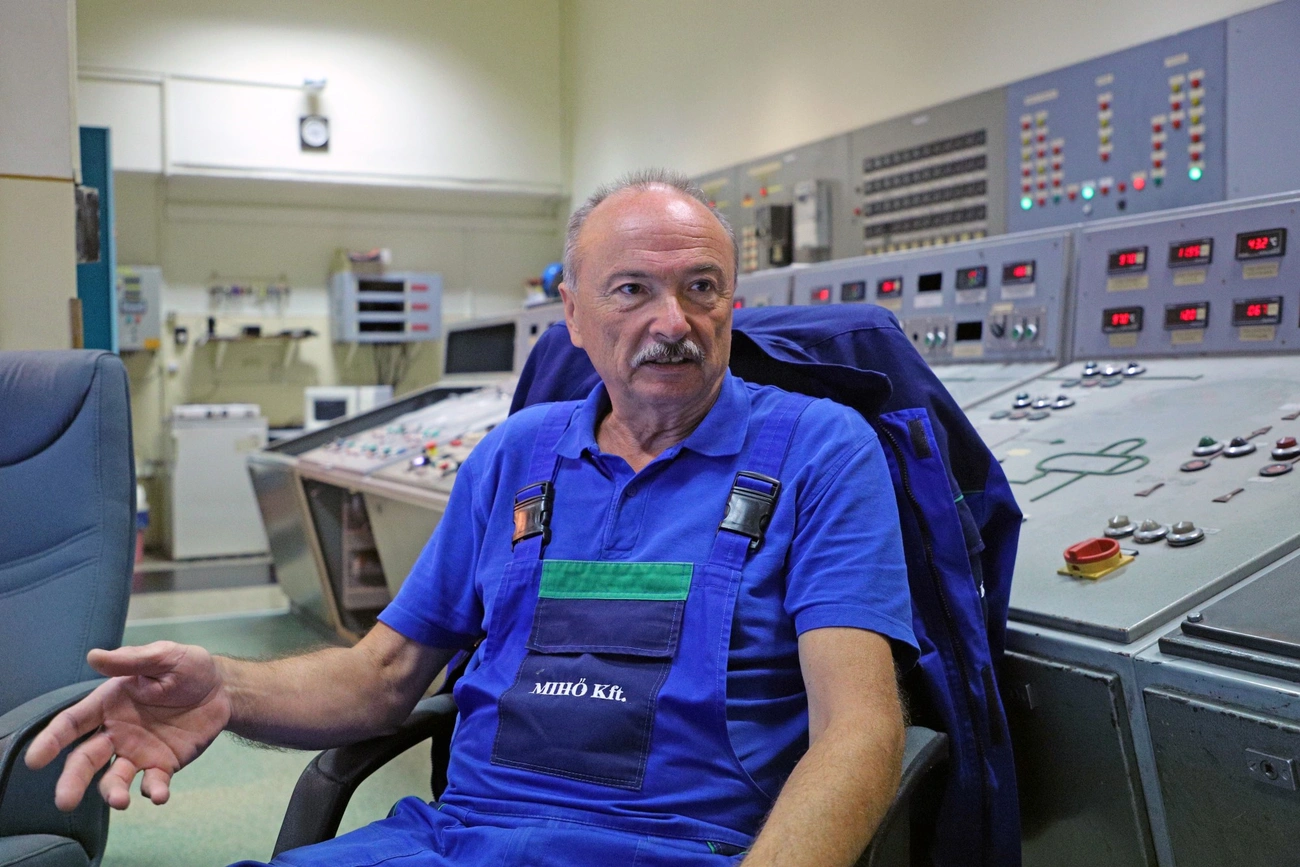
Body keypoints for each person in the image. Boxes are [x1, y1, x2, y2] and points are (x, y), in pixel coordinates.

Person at [27, 170, 918, 867]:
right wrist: (225, 689)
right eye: (631, 290)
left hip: (680, 846)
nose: (672, 321)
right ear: (571, 315)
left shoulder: (820, 450)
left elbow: (860, 729)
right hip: (460, 839)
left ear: (733, 304)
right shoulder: (516, 454)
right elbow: (381, 676)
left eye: (701, 287)